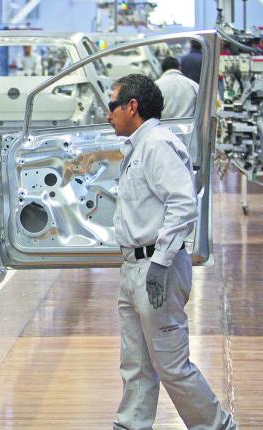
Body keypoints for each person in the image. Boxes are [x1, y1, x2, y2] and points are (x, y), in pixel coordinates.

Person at [107, 74, 236, 430]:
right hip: (134, 267)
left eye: (112, 105)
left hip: (156, 267)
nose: (108, 114)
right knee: (135, 363)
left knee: (172, 366)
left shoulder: (157, 145)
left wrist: (161, 264)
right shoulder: (137, 148)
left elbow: (183, 204)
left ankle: (217, 426)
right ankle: (131, 424)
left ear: (132, 107)